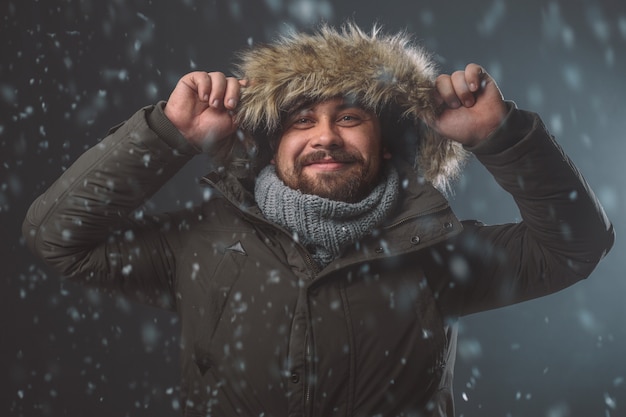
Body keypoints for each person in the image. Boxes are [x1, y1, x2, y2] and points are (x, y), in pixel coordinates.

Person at [23, 23, 614, 417]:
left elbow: (575, 248)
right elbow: (56, 238)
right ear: (271, 144)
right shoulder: (200, 246)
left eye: (350, 117)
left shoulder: (436, 250)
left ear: (386, 144)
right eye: (301, 120)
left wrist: (501, 136)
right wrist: (167, 135)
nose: (324, 137)